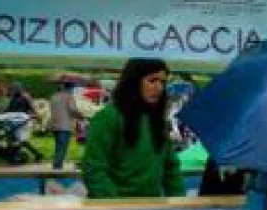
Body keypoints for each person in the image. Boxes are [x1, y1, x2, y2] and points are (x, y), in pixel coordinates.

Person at [81, 59, 183, 199]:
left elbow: (171, 168)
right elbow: (93, 169)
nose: (159, 87)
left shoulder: (158, 122)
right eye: (152, 80)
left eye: (163, 82)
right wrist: (119, 207)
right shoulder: (108, 117)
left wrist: (179, 203)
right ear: (134, 82)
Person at [46, 82, 82, 170]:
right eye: (73, 89)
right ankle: (57, 168)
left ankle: (57, 165)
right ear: (71, 88)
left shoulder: (53, 96)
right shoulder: (69, 96)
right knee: (62, 147)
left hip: (54, 124)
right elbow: (73, 110)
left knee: (58, 146)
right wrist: (80, 115)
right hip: (64, 125)